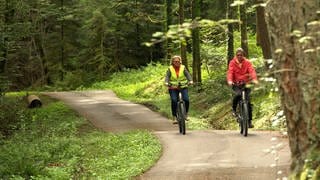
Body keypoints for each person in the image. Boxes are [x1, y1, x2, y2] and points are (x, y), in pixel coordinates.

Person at [227, 48, 258, 128]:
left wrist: (254, 80)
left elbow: (252, 71)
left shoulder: (247, 62)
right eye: (238, 55)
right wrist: (230, 81)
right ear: (236, 55)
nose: (239, 56)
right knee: (238, 95)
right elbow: (230, 72)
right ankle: (234, 110)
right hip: (236, 84)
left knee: (248, 102)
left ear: (243, 55)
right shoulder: (232, 63)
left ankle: (249, 121)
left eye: (241, 55)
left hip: (246, 84)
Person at [165, 55, 193, 124]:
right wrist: (166, 82)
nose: (177, 62)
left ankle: (185, 114)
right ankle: (174, 117)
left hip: (183, 86)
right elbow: (167, 77)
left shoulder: (183, 67)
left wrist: (190, 81)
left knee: (186, 99)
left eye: (178, 61)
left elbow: (187, 75)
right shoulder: (170, 68)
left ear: (180, 61)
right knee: (174, 100)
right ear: (172, 62)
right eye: (175, 61)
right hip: (173, 87)